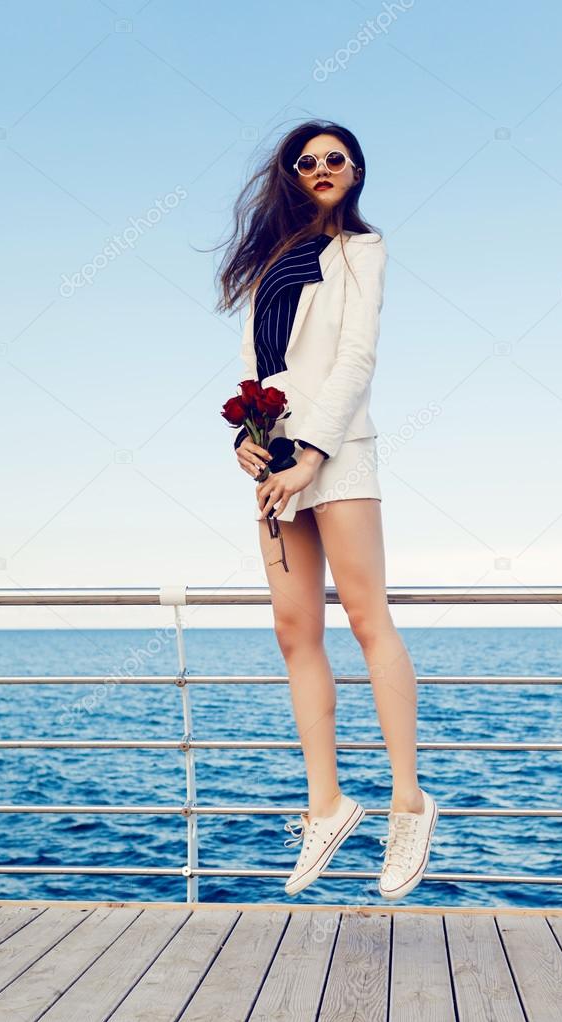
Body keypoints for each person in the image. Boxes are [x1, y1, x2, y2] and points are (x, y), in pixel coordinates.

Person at [216, 120, 438, 901]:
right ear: (291, 174)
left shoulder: (361, 251)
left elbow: (355, 357)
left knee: (367, 616)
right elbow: (257, 366)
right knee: (292, 628)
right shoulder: (270, 262)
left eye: (334, 158)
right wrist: (250, 441)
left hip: (338, 450)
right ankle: (327, 802)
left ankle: (408, 800)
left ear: (356, 169)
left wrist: (312, 449)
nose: (321, 168)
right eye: (306, 161)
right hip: (275, 459)